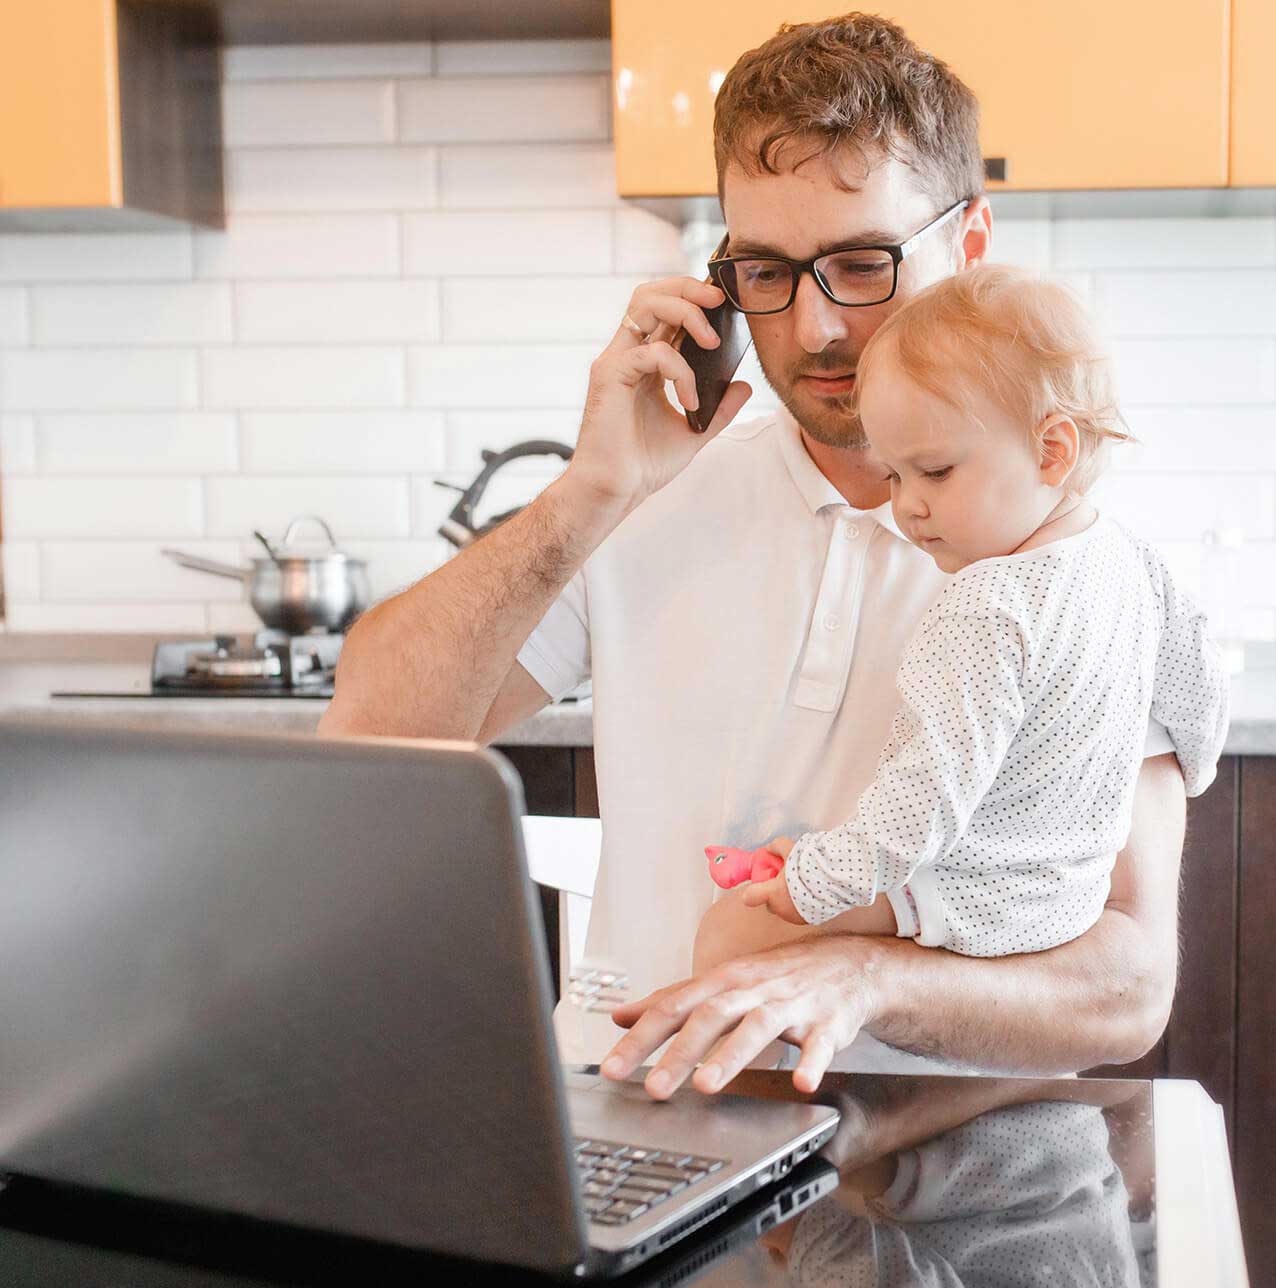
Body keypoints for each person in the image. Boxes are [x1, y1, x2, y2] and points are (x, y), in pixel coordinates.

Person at [317, 14, 1190, 1099]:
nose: (816, 325)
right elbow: (368, 737)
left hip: (947, 1157)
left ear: (969, 244)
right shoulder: (642, 501)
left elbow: (1129, 985)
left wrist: (861, 978)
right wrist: (590, 495)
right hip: (640, 1120)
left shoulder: (1086, 565)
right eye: (766, 272)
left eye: (863, 263)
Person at [704, 266, 1228, 969]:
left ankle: (704, 1079)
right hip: (1072, 898)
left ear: (1053, 450)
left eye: (936, 471)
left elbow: (927, 798)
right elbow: (1201, 697)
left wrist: (811, 880)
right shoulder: (1132, 559)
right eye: (894, 475)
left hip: (981, 899)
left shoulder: (985, 606)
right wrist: (1194, 774)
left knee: (733, 932)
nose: (907, 505)